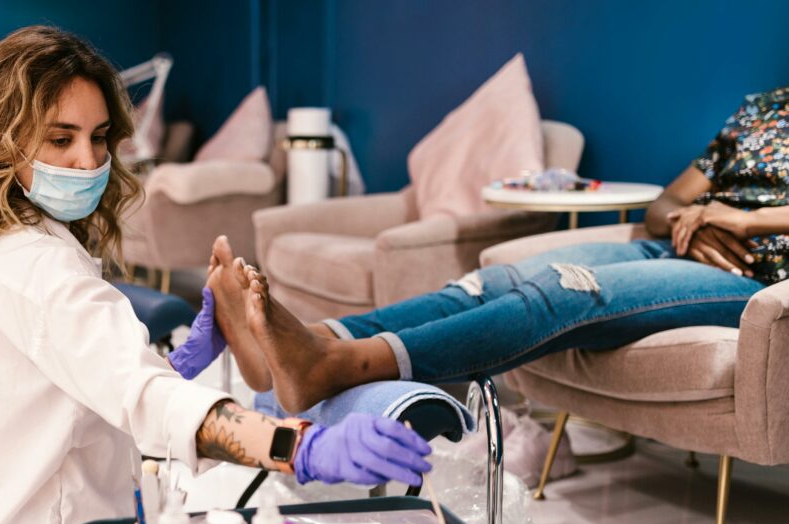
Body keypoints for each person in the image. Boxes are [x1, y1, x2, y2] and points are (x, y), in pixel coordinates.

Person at [0, 26, 432, 524]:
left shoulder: (5, 247)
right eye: (60, 137)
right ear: (3, 138)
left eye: (100, 136)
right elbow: (140, 396)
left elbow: (82, 382)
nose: (86, 160)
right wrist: (300, 446)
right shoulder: (39, 271)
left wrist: (180, 363)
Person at [209, 87, 789, 415]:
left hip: (753, 279)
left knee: (566, 290)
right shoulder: (762, 111)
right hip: (676, 245)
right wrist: (691, 215)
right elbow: (664, 202)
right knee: (490, 281)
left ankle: (339, 366)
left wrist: (744, 218)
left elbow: (731, 215)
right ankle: (312, 340)